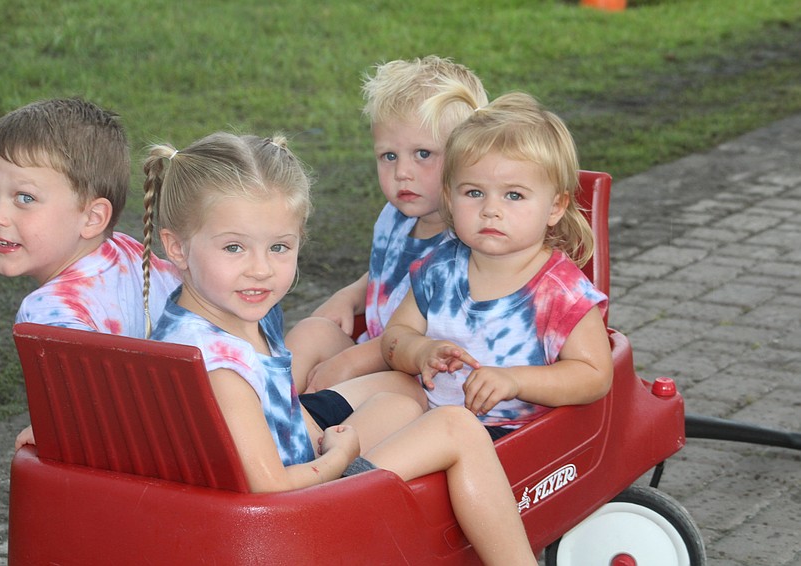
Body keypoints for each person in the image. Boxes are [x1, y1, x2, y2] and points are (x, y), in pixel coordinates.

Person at [143, 132, 536, 565]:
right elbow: (269, 488)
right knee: (456, 427)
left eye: (279, 247)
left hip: (289, 486)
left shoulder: (217, 317)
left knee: (401, 405)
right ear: (176, 246)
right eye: (234, 247)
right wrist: (339, 457)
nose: (260, 269)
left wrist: (319, 438)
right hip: (290, 519)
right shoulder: (222, 367)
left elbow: (283, 413)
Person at [382, 89, 614, 441]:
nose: (491, 209)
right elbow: (394, 337)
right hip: (427, 411)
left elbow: (594, 375)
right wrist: (420, 352)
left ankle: (362, 478)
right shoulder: (441, 267)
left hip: (503, 435)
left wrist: (514, 379)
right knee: (373, 395)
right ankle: (314, 450)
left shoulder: (559, 292)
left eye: (514, 195)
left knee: (432, 431)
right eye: (474, 193)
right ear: (450, 197)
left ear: (555, 207)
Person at [0, 98, 180, 449]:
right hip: (189, 424)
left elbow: (92, 416)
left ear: (92, 218)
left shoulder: (48, 313)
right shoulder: (129, 251)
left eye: (24, 197)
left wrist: (60, 428)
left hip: (150, 454)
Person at [286, 55, 488, 393]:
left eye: (423, 154)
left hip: (424, 377)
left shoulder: (470, 243)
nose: (402, 173)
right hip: (378, 351)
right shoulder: (396, 217)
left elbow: (436, 335)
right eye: (389, 156)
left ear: (469, 154)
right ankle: (266, 411)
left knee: (361, 385)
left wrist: (349, 362)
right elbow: (389, 272)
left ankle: (300, 428)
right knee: (312, 332)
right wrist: (350, 296)